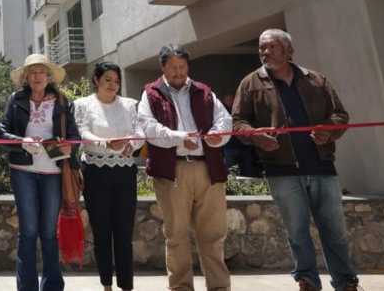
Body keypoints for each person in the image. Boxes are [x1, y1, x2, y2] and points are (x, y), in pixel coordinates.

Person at [232, 29, 360, 291]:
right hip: (281, 170)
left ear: (289, 51)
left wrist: (329, 131)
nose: (265, 53)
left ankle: (346, 282)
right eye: (261, 48)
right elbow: (238, 123)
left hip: (322, 166)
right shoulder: (250, 83)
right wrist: (256, 137)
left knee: (334, 231)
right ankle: (307, 281)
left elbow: (339, 115)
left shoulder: (316, 80)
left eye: (271, 48)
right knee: (297, 232)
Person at [137, 44, 231, 291]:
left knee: (213, 235)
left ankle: (219, 287)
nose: (178, 72)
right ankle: (180, 287)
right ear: (162, 67)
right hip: (172, 171)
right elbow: (148, 127)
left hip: (208, 169)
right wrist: (179, 137)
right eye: (173, 67)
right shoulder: (151, 93)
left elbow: (224, 120)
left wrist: (215, 135)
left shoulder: (204, 91)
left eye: (182, 66)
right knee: (176, 236)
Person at [0, 54, 79, 291]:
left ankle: (52, 286)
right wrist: (22, 141)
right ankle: (27, 288)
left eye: (41, 72)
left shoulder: (63, 101)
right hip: (22, 170)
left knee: (49, 232)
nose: (37, 77)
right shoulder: (16, 99)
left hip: (53, 172)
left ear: (49, 76)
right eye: (32, 72)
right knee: (28, 231)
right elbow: (2, 133)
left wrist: (69, 145)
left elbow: (74, 135)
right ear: (25, 78)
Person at [74, 61, 144, 291]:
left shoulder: (130, 104)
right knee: (101, 231)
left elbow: (140, 132)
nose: (113, 85)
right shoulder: (83, 105)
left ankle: (126, 286)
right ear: (96, 80)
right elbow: (82, 132)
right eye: (107, 80)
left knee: (124, 232)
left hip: (124, 171)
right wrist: (106, 144)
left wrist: (131, 146)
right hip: (95, 172)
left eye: (116, 80)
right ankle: (106, 285)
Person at [219, 93, 260, 178]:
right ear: (224, 102)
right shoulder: (222, 113)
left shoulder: (240, 112)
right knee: (231, 172)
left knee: (247, 172)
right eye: (228, 100)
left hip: (244, 146)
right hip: (229, 148)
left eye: (233, 100)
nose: (231, 102)